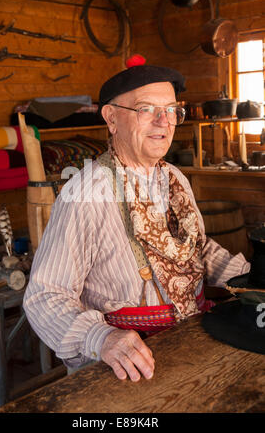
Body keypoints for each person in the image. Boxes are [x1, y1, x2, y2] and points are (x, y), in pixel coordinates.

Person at [23, 55, 250, 382]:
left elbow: (196, 252)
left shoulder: (174, 179)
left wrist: (250, 278)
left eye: (172, 110)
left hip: (189, 340)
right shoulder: (86, 194)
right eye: (147, 109)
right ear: (112, 119)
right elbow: (44, 296)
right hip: (122, 368)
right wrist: (102, 339)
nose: (164, 121)